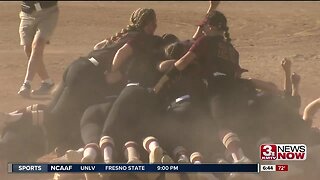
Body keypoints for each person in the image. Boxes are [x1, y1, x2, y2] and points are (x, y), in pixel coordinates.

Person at [18, 1, 59, 97]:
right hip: (27, 14)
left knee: (37, 45)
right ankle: (47, 82)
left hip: (48, 12)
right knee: (28, 49)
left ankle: (26, 84)